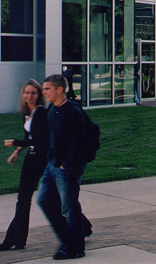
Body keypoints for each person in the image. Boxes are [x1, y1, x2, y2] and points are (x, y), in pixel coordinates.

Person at [0, 80, 92, 252]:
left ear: (39, 95)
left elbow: (40, 140)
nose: (29, 96)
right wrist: (17, 151)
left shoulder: (42, 112)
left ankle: (78, 234)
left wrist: (16, 143)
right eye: (26, 92)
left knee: (59, 199)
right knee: (26, 200)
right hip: (31, 159)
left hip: (44, 159)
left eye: (34, 93)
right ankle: (16, 239)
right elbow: (30, 135)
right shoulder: (28, 113)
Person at [37, 74, 89, 260]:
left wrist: (66, 165)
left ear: (60, 89)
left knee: (69, 208)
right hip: (52, 165)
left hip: (66, 168)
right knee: (44, 200)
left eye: (47, 89)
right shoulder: (52, 109)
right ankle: (68, 241)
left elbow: (79, 142)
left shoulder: (72, 111)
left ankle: (75, 248)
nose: (44, 92)